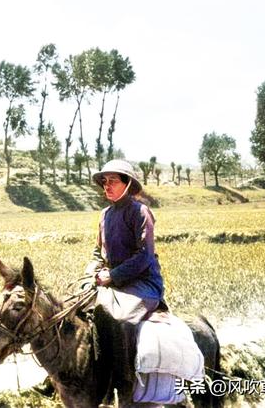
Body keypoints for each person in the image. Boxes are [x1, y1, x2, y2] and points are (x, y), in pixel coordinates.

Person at [82, 159, 167, 402]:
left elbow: (144, 256)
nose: (107, 186)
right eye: (104, 182)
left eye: (113, 181)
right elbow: (99, 252)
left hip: (142, 283)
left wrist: (113, 275)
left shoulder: (140, 212)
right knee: (74, 309)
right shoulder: (104, 215)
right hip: (113, 282)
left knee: (121, 318)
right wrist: (92, 271)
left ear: (127, 184)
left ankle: (125, 381)